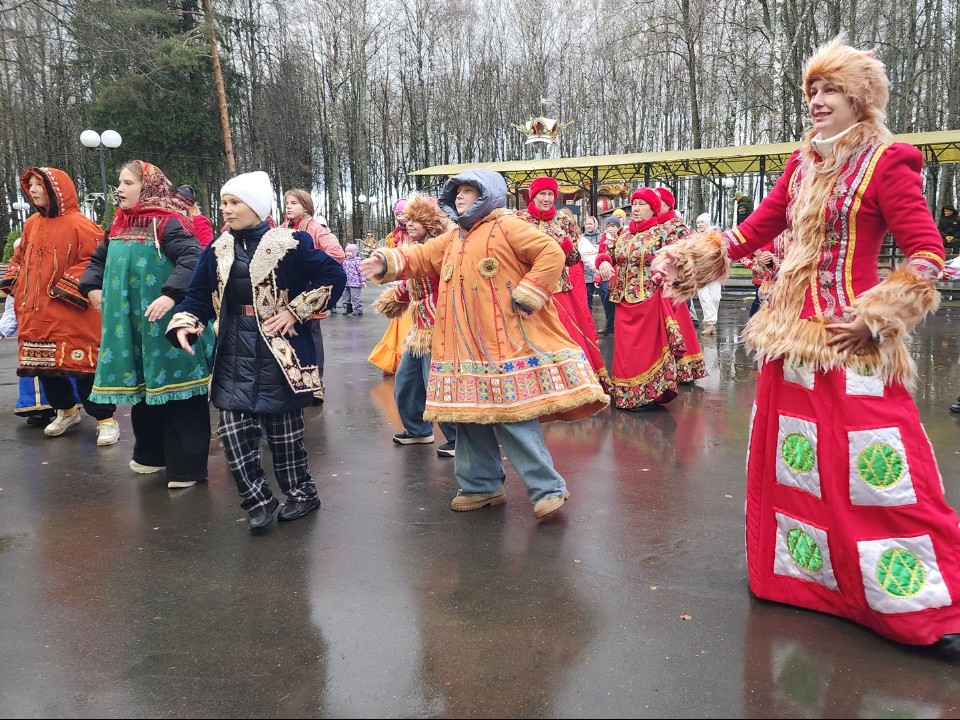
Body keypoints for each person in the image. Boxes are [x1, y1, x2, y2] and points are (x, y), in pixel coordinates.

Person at [654, 38, 960, 654]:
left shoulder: (888, 161)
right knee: (799, 471)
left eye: (830, 90)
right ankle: (811, 585)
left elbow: (928, 256)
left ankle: (923, 604)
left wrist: (877, 315)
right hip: (789, 346)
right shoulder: (801, 165)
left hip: (853, 345)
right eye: (812, 92)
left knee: (881, 475)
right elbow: (752, 231)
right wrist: (692, 260)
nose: (817, 102)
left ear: (861, 98)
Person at [360, 169, 607, 519]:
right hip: (459, 349)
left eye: (469, 191)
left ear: (488, 194)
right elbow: (420, 257)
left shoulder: (508, 225)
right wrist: (386, 260)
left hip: (503, 345)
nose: (460, 197)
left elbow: (550, 253)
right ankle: (481, 486)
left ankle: (547, 488)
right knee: (467, 418)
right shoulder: (454, 236)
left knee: (514, 416)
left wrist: (530, 292)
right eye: (457, 191)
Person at [168, 171, 346, 531]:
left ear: (256, 206)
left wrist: (294, 311)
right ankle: (258, 502)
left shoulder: (290, 242)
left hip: (279, 355)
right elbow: (199, 294)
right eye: (223, 203)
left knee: (284, 438)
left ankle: (301, 494)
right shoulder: (217, 248)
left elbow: (333, 276)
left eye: (234, 203)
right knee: (233, 436)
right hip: (232, 350)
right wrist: (187, 321)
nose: (226, 210)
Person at [79, 159, 212, 489]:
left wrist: (171, 294)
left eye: (127, 183)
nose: (119, 189)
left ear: (148, 188)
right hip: (135, 328)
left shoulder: (168, 224)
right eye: (120, 183)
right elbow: (98, 261)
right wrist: (91, 287)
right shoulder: (119, 225)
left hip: (168, 328)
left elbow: (194, 259)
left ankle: (186, 467)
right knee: (144, 391)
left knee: (179, 396)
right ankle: (151, 455)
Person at [1, 167, 119, 445]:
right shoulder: (31, 224)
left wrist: (64, 287)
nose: (33, 190)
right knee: (45, 368)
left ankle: (105, 419)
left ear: (57, 189)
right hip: (35, 312)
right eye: (30, 185)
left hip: (71, 310)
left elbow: (97, 261)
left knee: (83, 368)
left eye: (39, 184)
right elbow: (19, 257)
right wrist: (16, 283)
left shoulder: (81, 224)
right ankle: (66, 411)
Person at [596, 188, 697, 411]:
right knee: (624, 351)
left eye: (642, 204)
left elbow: (685, 256)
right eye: (634, 204)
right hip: (623, 299)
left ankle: (648, 395)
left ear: (653, 209)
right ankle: (626, 395)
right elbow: (607, 252)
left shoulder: (664, 232)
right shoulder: (623, 234)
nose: (636, 209)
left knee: (646, 350)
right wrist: (603, 261)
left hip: (650, 298)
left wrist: (670, 272)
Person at [372, 194, 457, 457]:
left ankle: (457, 437)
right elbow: (412, 284)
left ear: (430, 222)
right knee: (407, 380)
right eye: (407, 219)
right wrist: (394, 299)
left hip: (440, 327)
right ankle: (418, 430)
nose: (408, 224)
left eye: (415, 219)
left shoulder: (441, 248)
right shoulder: (416, 247)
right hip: (418, 327)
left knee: (437, 383)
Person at [517, 177, 610, 392]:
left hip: (558, 288)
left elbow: (574, 258)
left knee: (565, 337)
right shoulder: (519, 219)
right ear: (533, 195)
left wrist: (565, 243)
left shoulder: (562, 221)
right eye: (542, 194)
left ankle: (572, 385)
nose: (547, 199)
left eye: (551, 194)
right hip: (528, 287)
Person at [281, 189, 345, 404]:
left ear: (306, 206)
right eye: (287, 203)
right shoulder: (282, 228)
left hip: (308, 293)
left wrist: (312, 267)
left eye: (294, 203)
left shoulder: (314, 228)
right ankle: (296, 381)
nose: (288, 206)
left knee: (312, 336)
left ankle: (316, 384)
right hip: (287, 295)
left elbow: (337, 254)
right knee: (292, 337)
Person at [368, 199, 412, 375]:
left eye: (403, 213)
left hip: (417, 282)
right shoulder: (393, 236)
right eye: (397, 214)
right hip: (402, 283)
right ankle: (398, 361)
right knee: (400, 322)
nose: (401, 217)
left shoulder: (422, 232)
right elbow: (391, 258)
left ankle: (405, 361)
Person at [694, 213, 722, 335]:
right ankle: (710, 323)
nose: (700, 225)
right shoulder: (695, 238)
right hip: (700, 271)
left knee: (715, 297)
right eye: (698, 223)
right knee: (704, 297)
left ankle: (711, 322)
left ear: (707, 223)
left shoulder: (715, 236)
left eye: (702, 222)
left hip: (714, 270)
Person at [595, 216, 620, 335]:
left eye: (613, 226)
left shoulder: (623, 239)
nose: (611, 229)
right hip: (608, 278)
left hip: (620, 278)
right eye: (609, 226)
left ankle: (616, 327)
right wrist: (597, 278)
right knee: (607, 301)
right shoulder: (604, 241)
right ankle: (610, 326)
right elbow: (600, 258)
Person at [581, 215, 601, 309]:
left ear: (595, 224)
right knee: (587, 298)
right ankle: (589, 321)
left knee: (604, 297)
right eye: (587, 224)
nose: (588, 226)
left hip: (599, 272)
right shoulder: (581, 238)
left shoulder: (601, 237)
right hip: (586, 273)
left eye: (590, 224)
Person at [340, 243, 364, 315]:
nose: (347, 253)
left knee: (355, 297)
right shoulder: (345, 261)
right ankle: (347, 308)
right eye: (346, 251)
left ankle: (358, 310)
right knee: (345, 297)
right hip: (346, 283)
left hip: (355, 283)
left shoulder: (357, 261)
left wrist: (363, 281)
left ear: (354, 252)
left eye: (350, 251)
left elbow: (361, 271)